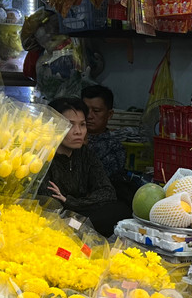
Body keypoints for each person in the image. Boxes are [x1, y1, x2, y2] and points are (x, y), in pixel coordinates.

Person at [43, 96, 128, 237]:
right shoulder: (44, 157)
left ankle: (78, 229)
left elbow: (107, 192)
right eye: (70, 125)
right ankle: (76, 229)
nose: (78, 131)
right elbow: (50, 204)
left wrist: (69, 201)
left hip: (81, 213)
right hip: (58, 217)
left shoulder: (85, 154)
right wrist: (71, 203)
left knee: (121, 209)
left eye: (82, 124)